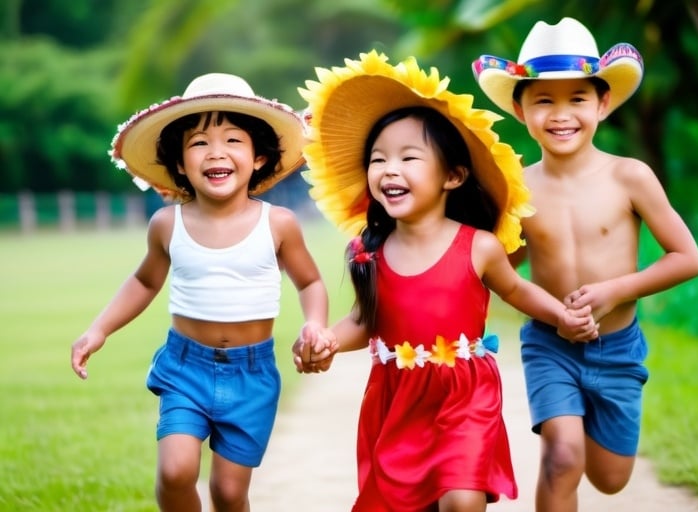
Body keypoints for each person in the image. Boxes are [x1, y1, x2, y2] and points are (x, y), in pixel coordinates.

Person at [292, 50, 598, 512]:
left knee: (461, 498)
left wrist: (562, 316)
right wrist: (327, 342)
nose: (389, 169)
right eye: (378, 159)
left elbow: (516, 290)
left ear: (453, 176)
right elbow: (364, 318)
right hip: (396, 400)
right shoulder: (368, 252)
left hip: (465, 394)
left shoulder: (479, 247)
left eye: (409, 158)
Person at [70, 73, 334, 512]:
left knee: (229, 494)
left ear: (261, 158)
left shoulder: (279, 223)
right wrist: (98, 330)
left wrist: (315, 323)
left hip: (252, 374)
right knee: (175, 473)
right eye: (198, 143)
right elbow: (144, 281)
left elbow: (310, 281)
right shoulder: (167, 225)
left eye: (233, 139)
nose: (216, 152)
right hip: (185, 368)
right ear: (178, 163)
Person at [473, 17, 698, 512]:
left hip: (617, 349)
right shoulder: (517, 190)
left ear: (602, 103)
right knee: (561, 457)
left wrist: (615, 290)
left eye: (577, 98)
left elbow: (687, 258)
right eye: (543, 100)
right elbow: (500, 270)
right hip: (548, 345)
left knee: (611, 477)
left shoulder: (629, 177)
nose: (561, 114)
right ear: (520, 109)